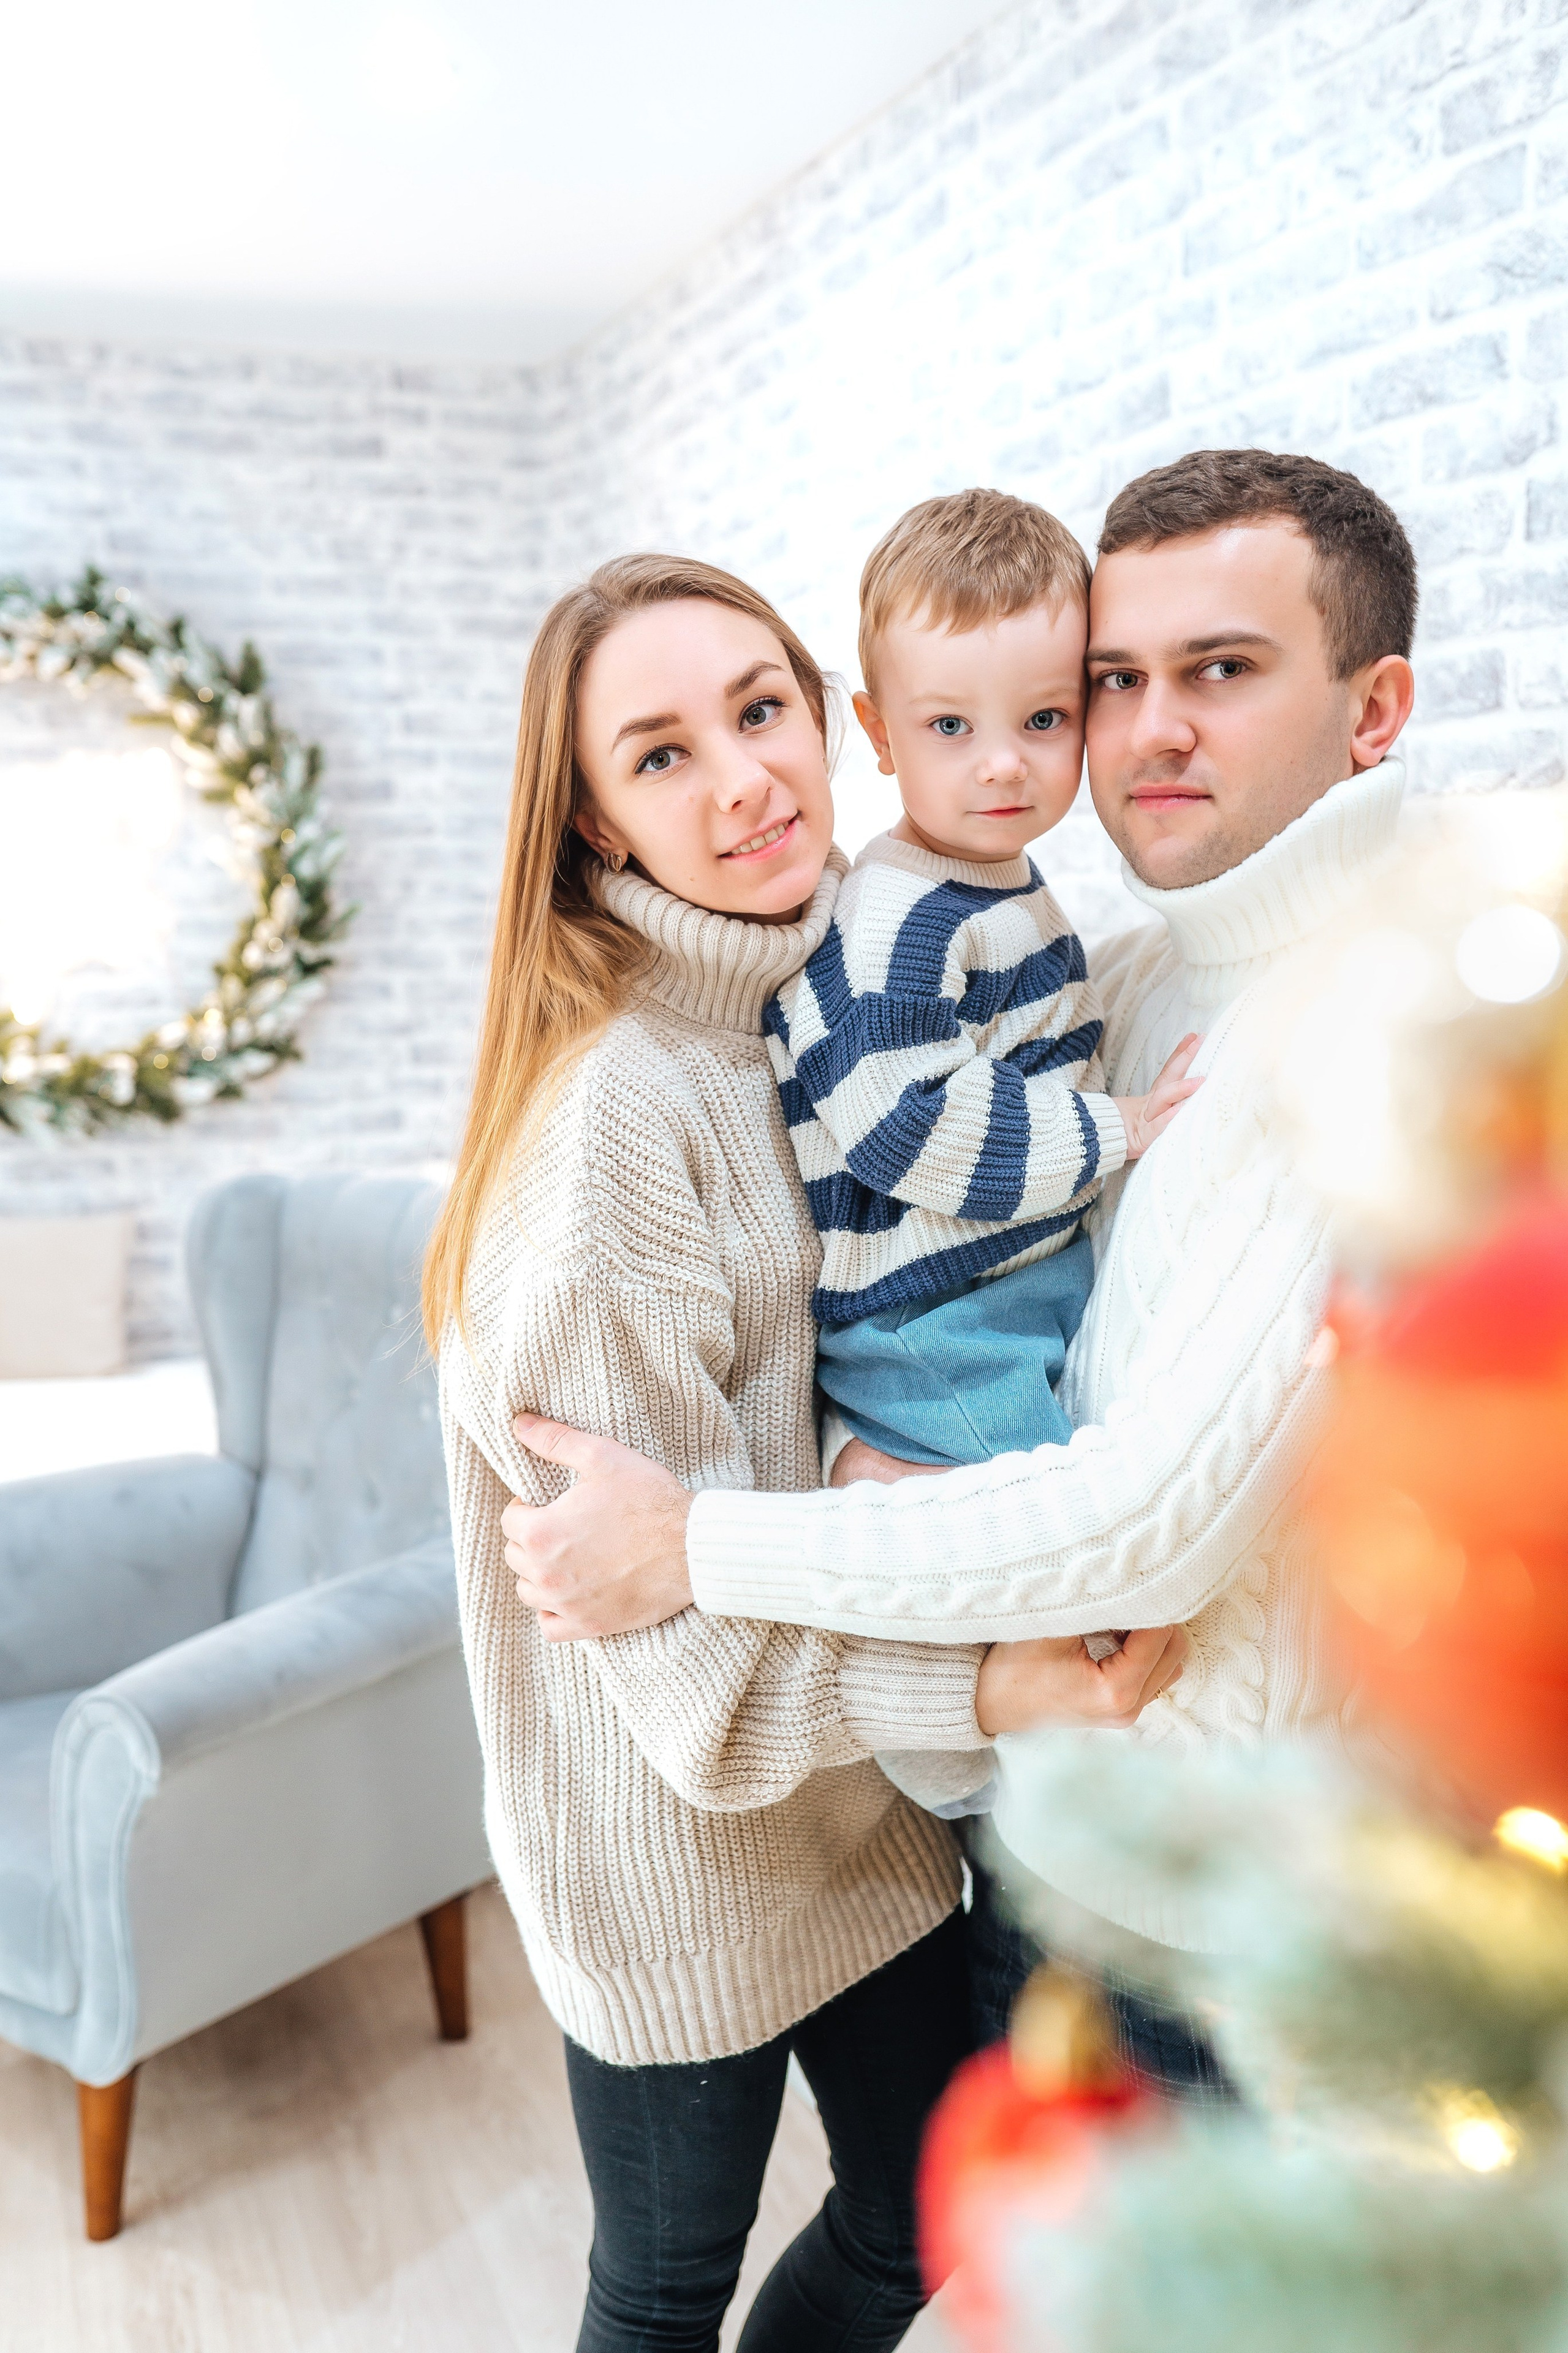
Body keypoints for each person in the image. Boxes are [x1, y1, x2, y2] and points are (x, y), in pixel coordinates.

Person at [496, 449, 1420, 2094]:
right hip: (1034, 1858)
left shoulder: (1372, 1027)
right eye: (1115, 682)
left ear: (1375, 710)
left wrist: (695, 1542)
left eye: (1219, 671)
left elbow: (1144, 1523)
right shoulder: (1136, 971)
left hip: (1211, 1939)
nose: (1143, 734)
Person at [425, 550, 1187, 2353]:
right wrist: (990, 1686)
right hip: (679, 1852)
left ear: (829, 721)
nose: (743, 780)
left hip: (866, 1810)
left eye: (758, 712)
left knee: (917, 2227)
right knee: (661, 2290)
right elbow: (686, 1684)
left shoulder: (822, 989)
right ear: (594, 823)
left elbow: (849, 1337)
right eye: (662, 755)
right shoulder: (614, 1114)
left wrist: (855, 1475)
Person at [768, 487, 1200, 1488]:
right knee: (1060, 1524)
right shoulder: (898, 921)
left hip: (1003, 1288)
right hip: (940, 1321)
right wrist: (1122, 1126)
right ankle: (870, 1476)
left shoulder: (991, 882)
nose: (1004, 765)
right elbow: (906, 1125)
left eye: (1044, 719)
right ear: (881, 735)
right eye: (951, 726)